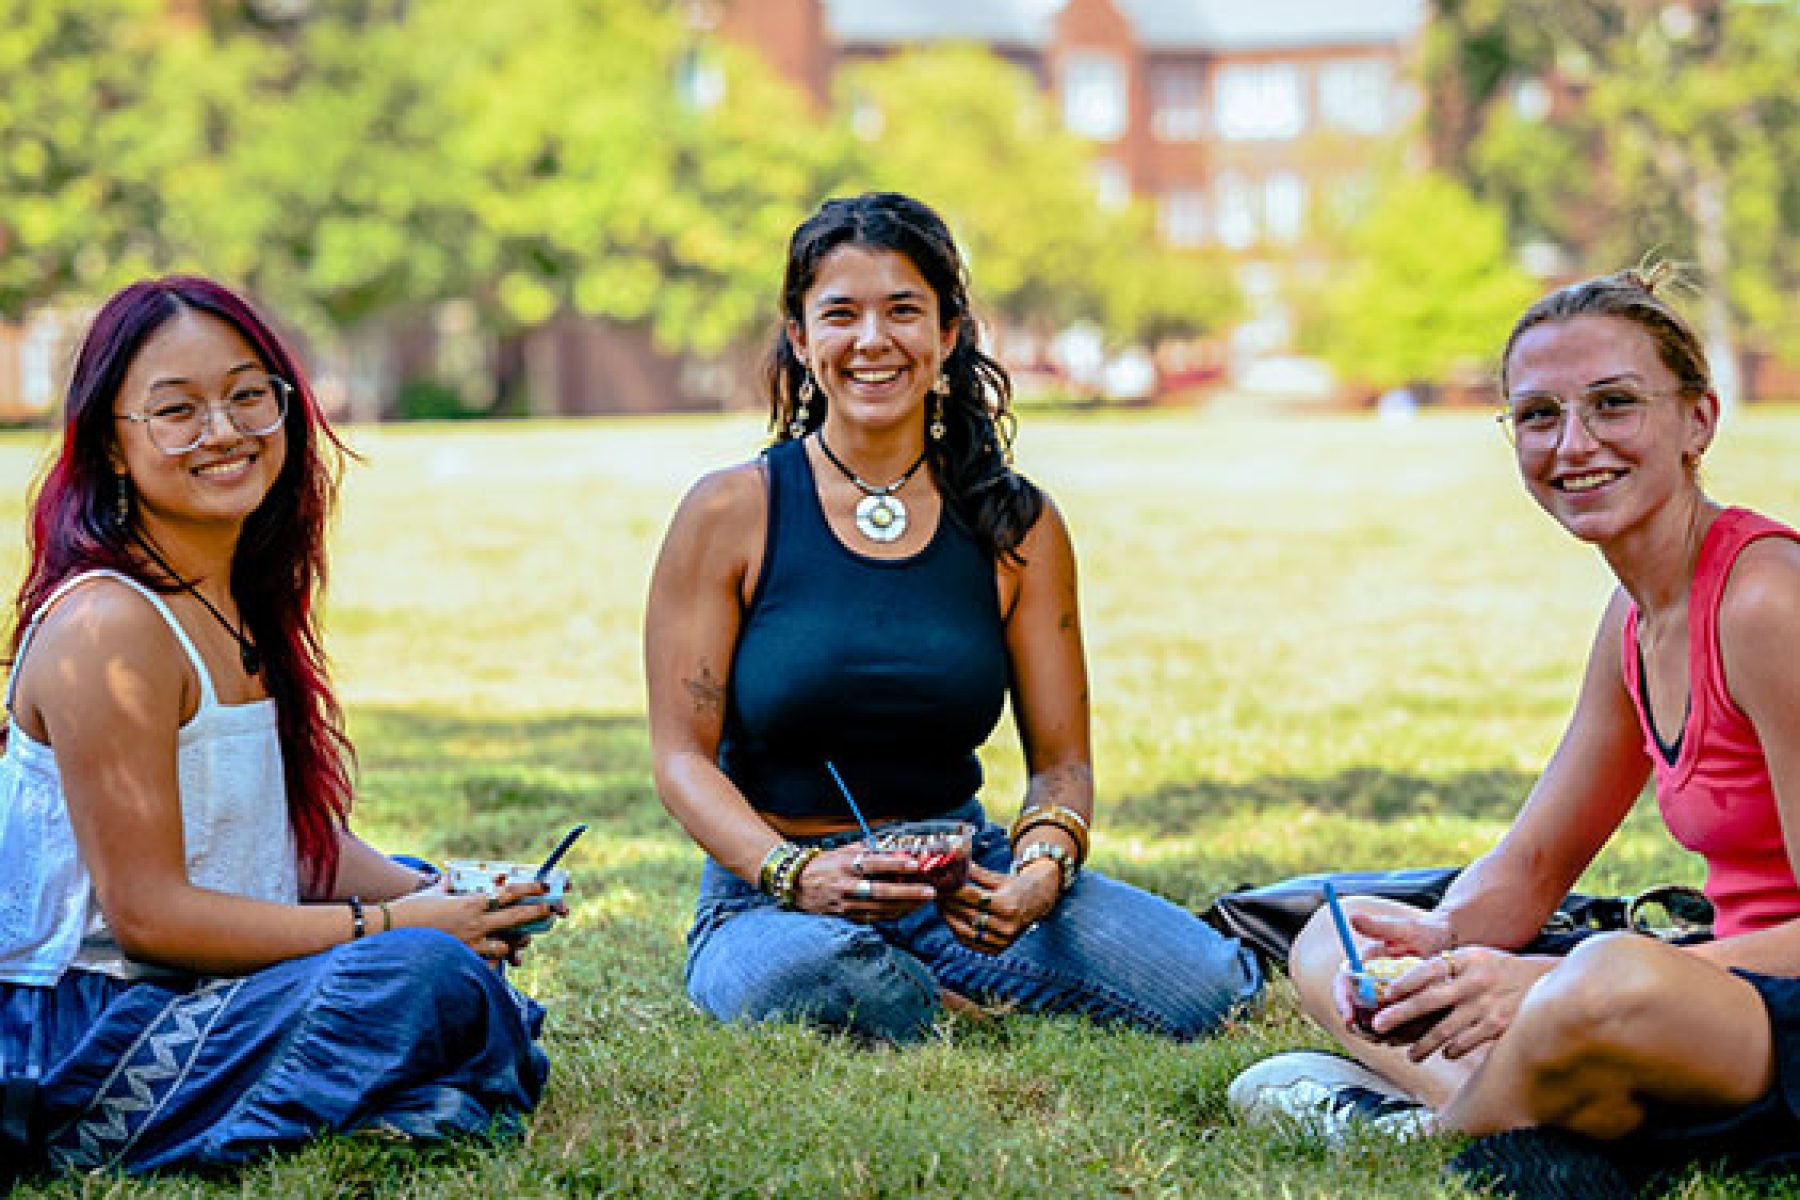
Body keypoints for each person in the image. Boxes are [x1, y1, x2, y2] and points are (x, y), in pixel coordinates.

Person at [1229, 265, 1800, 1194]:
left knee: (1607, 978)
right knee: (1331, 941)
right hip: (1698, 993)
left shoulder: (1769, 598)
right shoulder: (1634, 616)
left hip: (1766, 1010)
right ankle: (1541, 1102)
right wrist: (1439, 948)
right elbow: (1535, 865)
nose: (1574, 444)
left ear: (1699, 419)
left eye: (1614, 404)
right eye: (1538, 415)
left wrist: (1534, 984)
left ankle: (1425, 1130)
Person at [645, 192, 1261, 1044]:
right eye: (840, 314)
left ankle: (934, 979)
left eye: (903, 310)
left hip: (963, 879)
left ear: (946, 335)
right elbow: (681, 759)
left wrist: (1041, 871)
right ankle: (917, 995)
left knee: (1209, 986)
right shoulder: (727, 512)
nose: (872, 341)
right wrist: (795, 874)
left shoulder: (1017, 527)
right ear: (799, 338)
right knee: (821, 972)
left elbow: (1062, 767)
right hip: (771, 896)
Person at [0, 277, 555, 1177]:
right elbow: (147, 917)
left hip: (198, 990)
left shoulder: (229, 596)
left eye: (248, 396)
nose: (224, 432)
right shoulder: (110, 627)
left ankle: (402, 1087)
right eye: (177, 411)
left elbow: (282, 844)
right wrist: (397, 927)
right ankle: (396, 1092)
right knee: (423, 974)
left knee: (432, 931)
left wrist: (456, 896)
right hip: (78, 1032)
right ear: (110, 441)